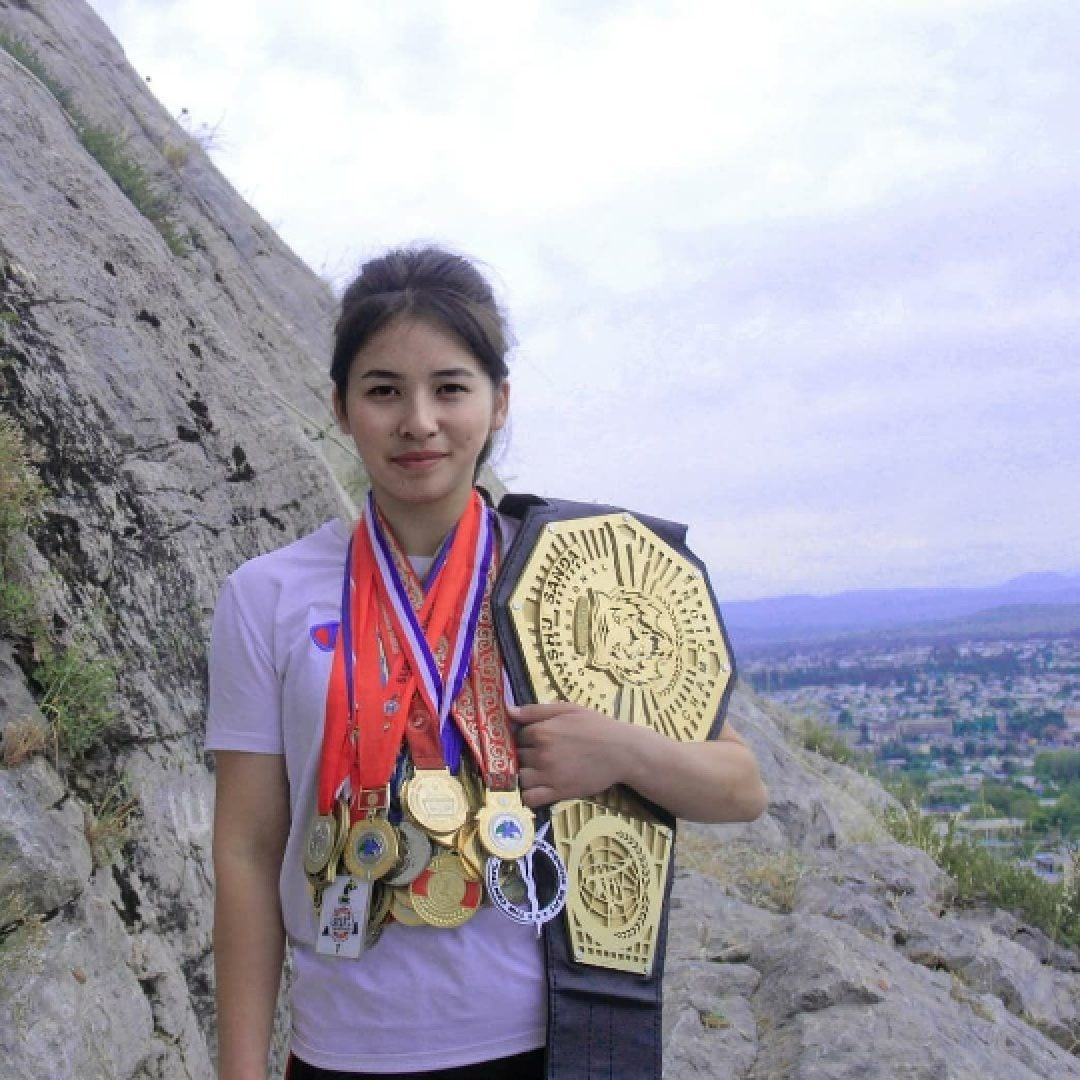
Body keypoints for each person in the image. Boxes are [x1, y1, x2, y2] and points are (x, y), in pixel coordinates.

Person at [207, 246, 767, 1080]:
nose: (418, 422)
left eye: (450, 388)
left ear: (499, 401)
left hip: (553, 1043)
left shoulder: (574, 579)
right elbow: (249, 852)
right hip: (345, 1050)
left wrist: (619, 751)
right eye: (383, 390)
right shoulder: (267, 594)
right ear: (340, 406)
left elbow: (740, 788)